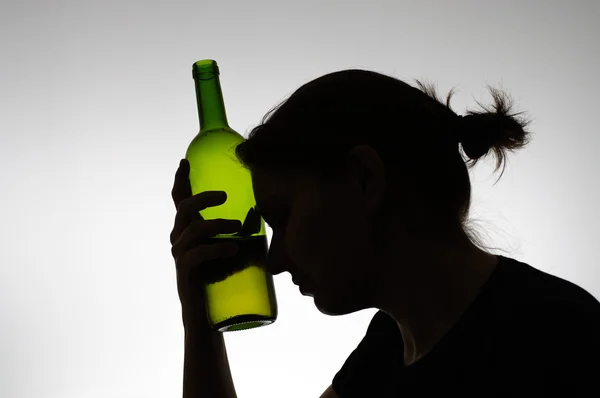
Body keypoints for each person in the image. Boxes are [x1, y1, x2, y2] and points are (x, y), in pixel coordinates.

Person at [169, 69, 600, 397]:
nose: (274, 260)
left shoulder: (557, 340)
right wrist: (199, 316)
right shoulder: (385, 349)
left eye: (282, 217)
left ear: (363, 179)